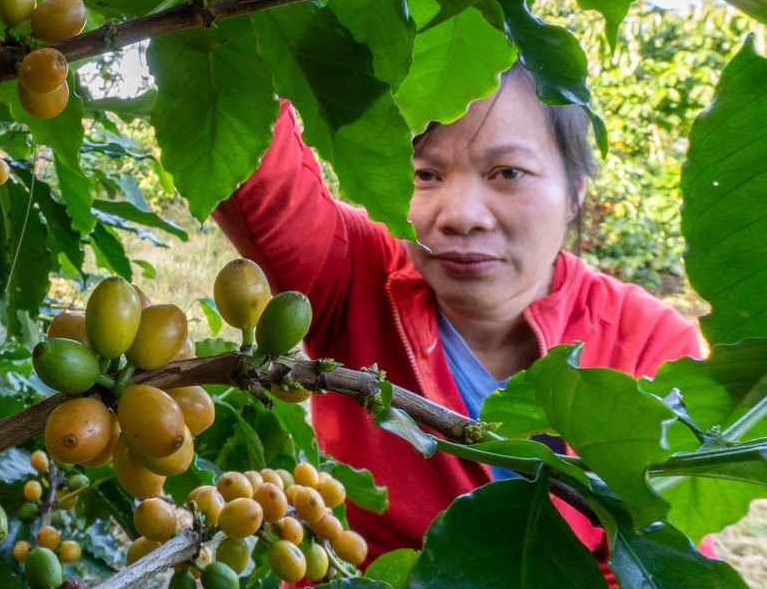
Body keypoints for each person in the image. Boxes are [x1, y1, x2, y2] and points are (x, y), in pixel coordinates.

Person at [212, 64, 701, 560]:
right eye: (425, 174)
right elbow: (248, 148)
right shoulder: (356, 272)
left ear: (575, 191)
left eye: (509, 173)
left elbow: (660, 558)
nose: (461, 216)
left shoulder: (651, 343)